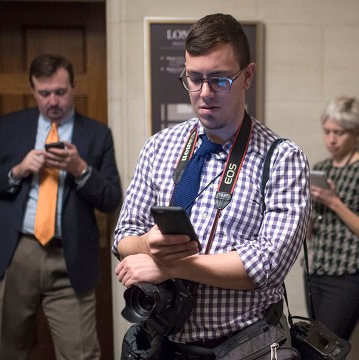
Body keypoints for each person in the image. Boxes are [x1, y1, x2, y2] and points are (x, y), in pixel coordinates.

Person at [113, 13, 311, 359]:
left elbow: (265, 264)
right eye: (194, 78)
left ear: (247, 76)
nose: (204, 93)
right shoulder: (160, 147)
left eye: (219, 80)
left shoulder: (282, 158)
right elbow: (123, 236)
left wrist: (170, 266)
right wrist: (147, 242)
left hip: (244, 345)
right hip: (164, 341)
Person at [0, 54, 122, 359]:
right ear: (33, 91)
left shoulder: (97, 134)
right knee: (6, 352)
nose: (53, 101)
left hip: (70, 258)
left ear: (73, 87)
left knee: (81, 354)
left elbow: (111, 199)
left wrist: (81, 168)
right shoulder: (9, 126)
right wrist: (18, 170)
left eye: (61, 92)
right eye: (44, 93)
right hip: (14, 253)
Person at [306, 96, 359, 340]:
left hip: (348, 273)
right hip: (316, 269)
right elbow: (309, 232)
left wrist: (333, 202)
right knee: (313, 348)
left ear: (356, 132)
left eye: (339, 132)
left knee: (329, 349)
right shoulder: (322, 168)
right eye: (327, 131)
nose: (331, 139)